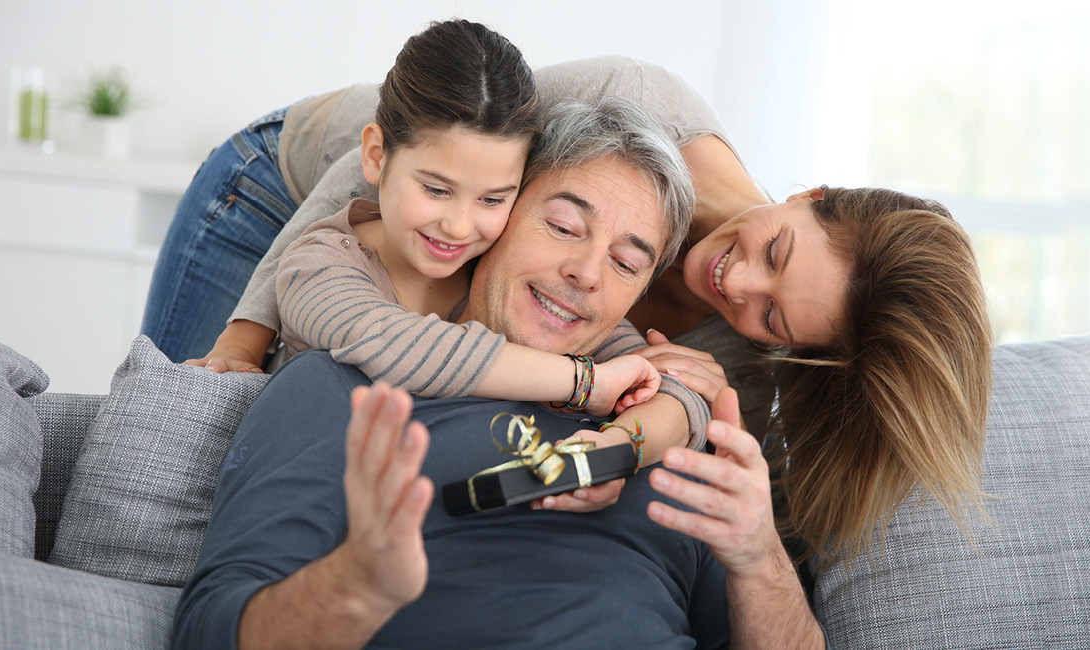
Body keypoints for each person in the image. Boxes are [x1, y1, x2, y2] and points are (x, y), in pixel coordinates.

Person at [145, 54, 991, 565]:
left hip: (402, 279)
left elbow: (683, 396)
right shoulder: (638, 98)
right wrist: (245, 338)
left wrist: (616, 451)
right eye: (776, 254)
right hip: (291, 186)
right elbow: (385, 171)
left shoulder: (741, 350)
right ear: (810, 193)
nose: (738, 286)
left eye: (772, 319)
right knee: (191, 427)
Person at [171, 97, 827, 649]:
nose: (587, 273)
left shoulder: (664, 439)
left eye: (627, 264)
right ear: (497, 215)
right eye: (564, 226)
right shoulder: (340, 387)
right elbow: (208, 630)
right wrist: (355, 587)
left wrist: (759, 557)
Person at [266, 21, 703, 474]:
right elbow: (399, 346)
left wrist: (611, 452)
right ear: (377, 157)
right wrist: (587, 383)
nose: (458, 227)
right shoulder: (317, 267)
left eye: (492, 200)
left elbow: (676, 395)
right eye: (436, 190)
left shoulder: (498, 273)